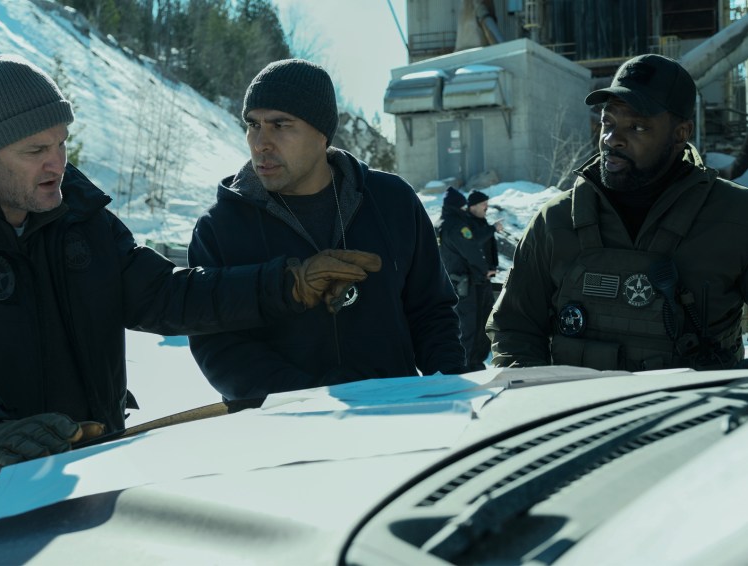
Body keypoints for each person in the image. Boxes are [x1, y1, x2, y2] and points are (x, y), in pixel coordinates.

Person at [0, 54, 382, 524]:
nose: (57, 164)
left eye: (62, 143)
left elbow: (166, 294)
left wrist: (286, 284)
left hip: (79, 485)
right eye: (35, 151)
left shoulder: (79, 220)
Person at [188, 58, 467, 401]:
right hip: (282, 424)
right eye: (253, 124)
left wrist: (449, 384)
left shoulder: (391, 200)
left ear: (322, 133)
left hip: (398, 415)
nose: (261, 142)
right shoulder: (219, 227)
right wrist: (314, 400)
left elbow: (431, 310)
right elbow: (220, 347)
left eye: (280, 125)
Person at [486, 53, 748, 371]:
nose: (612, 139)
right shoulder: (555, 220)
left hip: (703, 405)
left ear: (681, 133)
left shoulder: (736, 217)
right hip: (576, 404)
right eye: (607, 123)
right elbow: (515, 329)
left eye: (636, 127)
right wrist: (534, 391)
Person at [435, 187, 503, 370]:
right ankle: (470, 365)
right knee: (474, 326)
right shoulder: (458, 225)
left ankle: (467, 364)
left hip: (453, 282)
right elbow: (472, 251)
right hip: (469, 283)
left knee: (464, 326)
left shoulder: (440, 224)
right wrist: (484, 272)